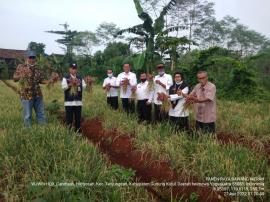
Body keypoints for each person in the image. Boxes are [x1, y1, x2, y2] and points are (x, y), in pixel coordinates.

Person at [13, 50, 48, 127]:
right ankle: (28, 131)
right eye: (30, 57)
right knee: (27, 115)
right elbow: (14, 78)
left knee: (41, 114)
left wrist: (49, 82)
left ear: (35, 58)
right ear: (27, 58)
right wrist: (21, 75)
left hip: (38, 95)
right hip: (26, 95)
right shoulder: (21, 67)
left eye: (33, 57)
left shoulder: (38, 68)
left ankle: (43, 129)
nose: (32, 59)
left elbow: (41, 80)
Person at [61, 63, 86, 133]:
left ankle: (78, 133)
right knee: (69, 119)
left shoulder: (80, 78)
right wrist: (71, 84)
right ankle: (69, 133)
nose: (74, 70)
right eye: (72, 68)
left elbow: (84, 86)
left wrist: (78, 84)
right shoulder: (65, 77)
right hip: (69, 103)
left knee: (78, 119)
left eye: (75, 69)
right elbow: (63, 87)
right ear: (69, 69)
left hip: (78, 102)